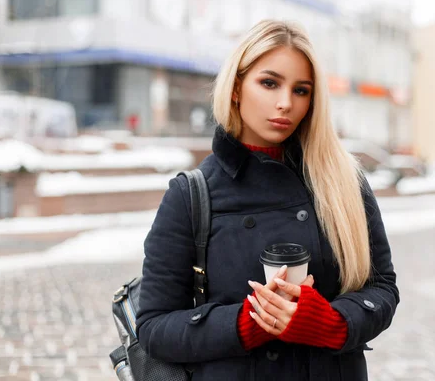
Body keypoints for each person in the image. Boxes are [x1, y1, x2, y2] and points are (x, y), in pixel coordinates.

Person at [136, 20, 399, 381]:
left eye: (301, 90)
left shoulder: (344, 180)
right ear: (236, 88)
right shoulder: (191, 194)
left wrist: (331, 323)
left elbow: (382, 288)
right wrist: (247, 323)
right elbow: (153, 327)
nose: (285, 103)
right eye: (269, 83)